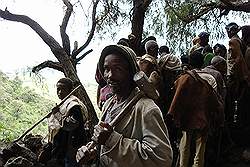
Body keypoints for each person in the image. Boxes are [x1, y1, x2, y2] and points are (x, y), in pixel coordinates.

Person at [76, 44, 173, 167]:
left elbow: (161, 159)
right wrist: (92, 155)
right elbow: (106, 151)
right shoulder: (108, 105)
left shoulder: (147, 109)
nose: (110, 75)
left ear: (131, 72)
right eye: (106, 69)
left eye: (118, 69)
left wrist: (112, 140)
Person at [168, 51, 224, 167]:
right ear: (203, 62)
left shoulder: (183, 78)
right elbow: (214, 99)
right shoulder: (210, 78)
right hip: (203, 117)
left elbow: (176, 96)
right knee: (200, 150)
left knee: (184, 147)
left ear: (189, 63)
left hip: (187, 118)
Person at [40, 78, 89, 167]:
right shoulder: (65, 103)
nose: (60, 92)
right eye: (58, 89)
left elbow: (71, 124)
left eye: (63, 89)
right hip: (63, 148)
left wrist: (57, 114)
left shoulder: (74, 105)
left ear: (70, 90)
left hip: (72, 147)